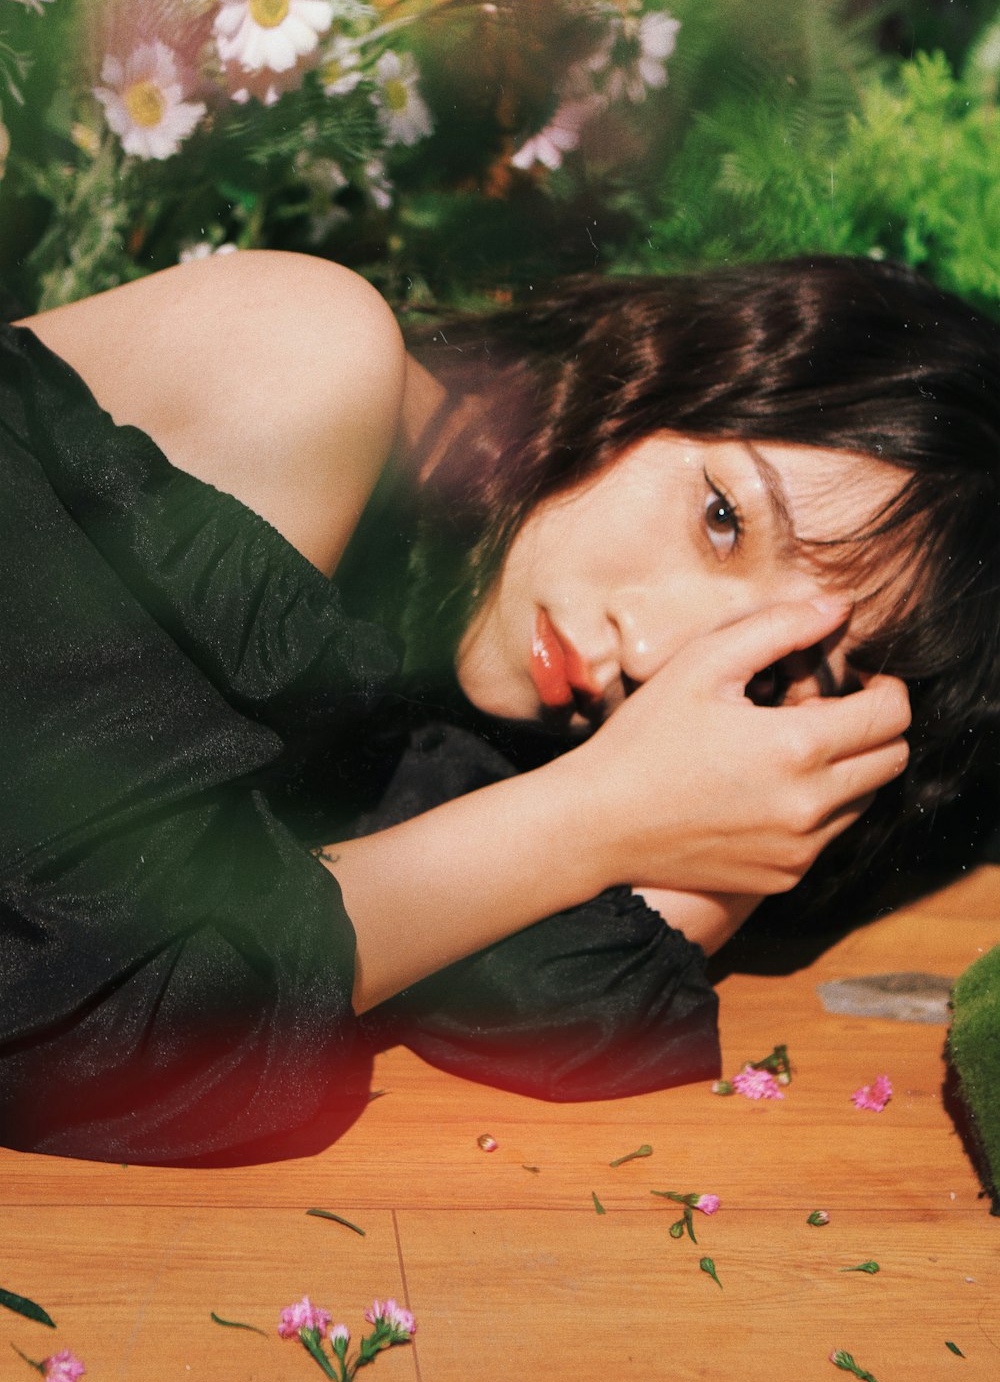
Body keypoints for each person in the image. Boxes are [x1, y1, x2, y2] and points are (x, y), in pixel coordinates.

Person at [0, 249, 996, 1165]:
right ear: (667, 367)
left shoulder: (465, 667)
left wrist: (708, 810)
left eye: (771, 667)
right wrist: (597, 816)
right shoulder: (304, 360)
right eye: (722, 518)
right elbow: (84, 1014)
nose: (645, 652)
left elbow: (567, 994)